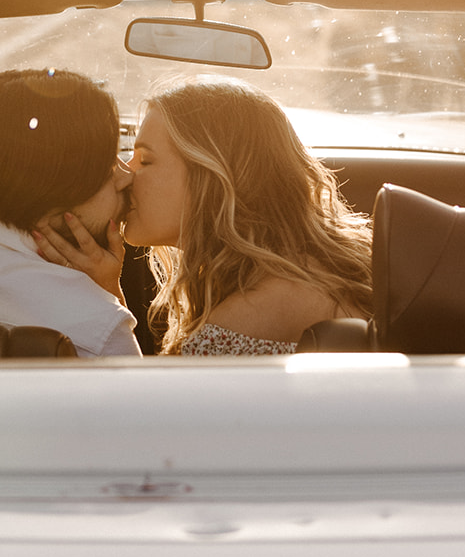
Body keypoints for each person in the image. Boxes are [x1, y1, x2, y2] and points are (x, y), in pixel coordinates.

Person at [38, 77, 371, 356]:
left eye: (146, 160)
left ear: (210, 177)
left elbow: (150, 420)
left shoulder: (248, 314)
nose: (125, 176)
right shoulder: (294, 273)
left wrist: (105, 302)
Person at [0, 68, 141, 358]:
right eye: (106, 167)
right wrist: (106, 298)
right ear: (49, 194)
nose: (126, 176)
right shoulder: (97, 329)